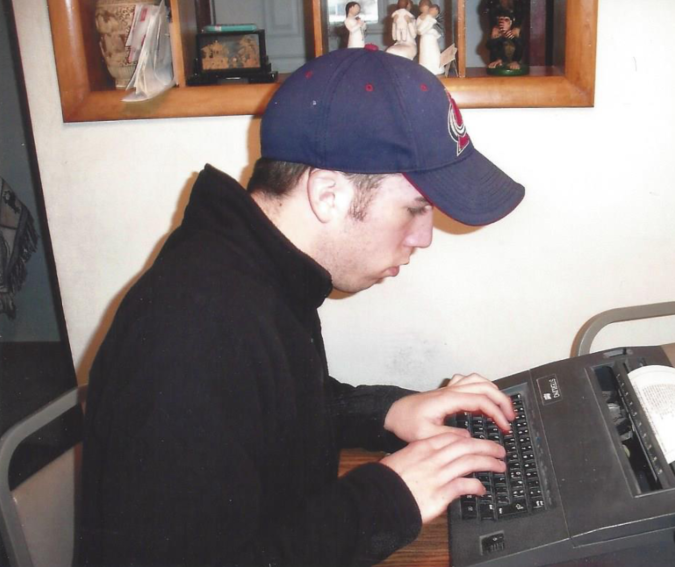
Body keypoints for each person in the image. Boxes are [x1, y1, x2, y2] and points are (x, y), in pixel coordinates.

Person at [77, 46, 525, 567]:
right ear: (328, 194)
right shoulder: (190, 335)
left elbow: (268, 409)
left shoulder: (253, 269)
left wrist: (386, 412)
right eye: (415, 208)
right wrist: (390, 497)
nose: (424, 237)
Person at [417, 2, 442, 75]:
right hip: (425, 40)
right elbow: (420, 30)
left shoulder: (433, 18)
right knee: (425, 54)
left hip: (432, 39)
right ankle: (426, 68)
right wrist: (430, 18)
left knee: (434, 53)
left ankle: (437, 68)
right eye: (423, 7)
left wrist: (435, 32)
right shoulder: (420, 18)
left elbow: (438, 30)